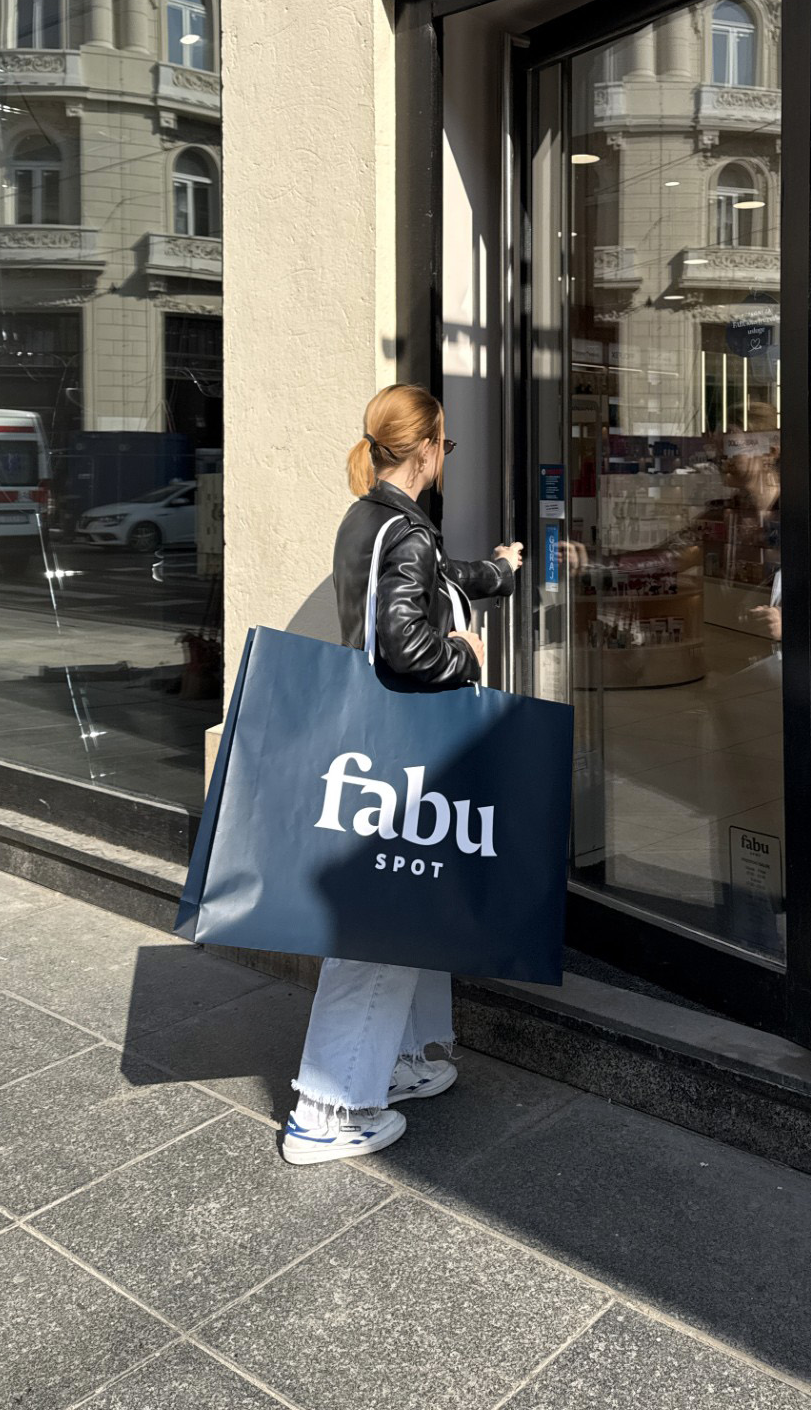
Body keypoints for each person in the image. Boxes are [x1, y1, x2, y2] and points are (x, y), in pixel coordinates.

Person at [282, 382, 523, 1165]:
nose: (445, 456)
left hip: (371, 748)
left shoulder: (370, 518)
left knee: (412, 907)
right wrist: (466, 655)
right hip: (403, 754)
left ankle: (407, 1060)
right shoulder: (405, 532)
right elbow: (406, 645)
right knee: (381, 925)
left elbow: (430, 575)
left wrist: (496, 571)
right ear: (424, 449)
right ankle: (327, 1110)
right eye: (444, 444)